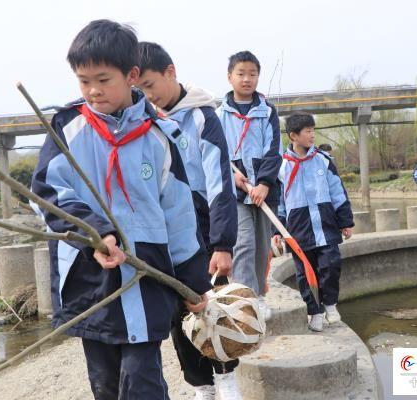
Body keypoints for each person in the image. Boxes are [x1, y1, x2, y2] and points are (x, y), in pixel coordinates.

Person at [31, 20, 211, 400]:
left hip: (147, 277)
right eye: (83, 81)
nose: (93, 91)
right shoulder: (68, 129)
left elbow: (180, 215)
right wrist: (93, 233)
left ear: (131, 75)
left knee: (142, 380)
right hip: (91, 277)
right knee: (106, 384)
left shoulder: (161, 137)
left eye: (103, 79)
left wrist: (194, 283)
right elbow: (47, 193)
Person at [137, 41, 241, 400]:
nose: (147, 96)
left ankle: (227, 377)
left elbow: (219, 183)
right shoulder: (143, 121)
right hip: (165, 232)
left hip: (204, 228)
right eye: (140, 90)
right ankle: (200, 385)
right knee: (178, 314)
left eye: (150, 85)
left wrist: (223, 242)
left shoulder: (202, 116)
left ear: (171, 73)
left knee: (214, 306)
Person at [273, 112, 354, 331]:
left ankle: (330, 305)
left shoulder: (324, 160)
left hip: (325, 226)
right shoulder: (281, 166)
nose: (312, 135)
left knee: (331, 265)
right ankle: (314, 312)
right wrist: (277, 229)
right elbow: (278, 202)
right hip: (298, 229)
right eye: (308, 131)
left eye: (313, 130)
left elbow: (338, 192)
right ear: (293, 136)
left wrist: (345, 221)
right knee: (305, 273)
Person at [217, 51, 282, 320]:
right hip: (236, 191)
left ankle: (260, 295)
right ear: (230, 77)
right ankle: (246, 300)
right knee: (243, 243)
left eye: (252, 74)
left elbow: (274, 150)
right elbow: (215, 152)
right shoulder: (219, 114)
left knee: (261, 246)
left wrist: (265, 183)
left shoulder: (267, 111)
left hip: (262, 191)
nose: (247, 79)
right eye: (241, 74)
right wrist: (231, 178)